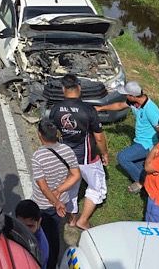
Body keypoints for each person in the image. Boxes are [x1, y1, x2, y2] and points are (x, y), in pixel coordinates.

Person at [49, 74, 109, 231]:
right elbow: (99, 138)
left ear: (63, 89)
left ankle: (71, 220)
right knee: (97, 187)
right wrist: (104, 153)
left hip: (66, 157)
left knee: (71, 188)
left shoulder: (55, 109)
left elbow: (51, 133)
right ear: (79, 88)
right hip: (87, 157)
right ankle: (82, 221)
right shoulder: (88, 110)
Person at [32, 119, 81, 267]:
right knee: (54, 235)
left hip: (43, 203)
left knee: (40, 237)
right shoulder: (67, 150)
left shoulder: (38, 157)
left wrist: (55, 201)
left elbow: (43, 187)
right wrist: (60, 192)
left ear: (40, 135)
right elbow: (76, 175)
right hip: (62, 200)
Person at [96, 81, 159, 193]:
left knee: (122, 157)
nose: (125, 96)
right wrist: (100, 108)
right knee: (137, 164)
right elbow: (119, 105)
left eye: (126, 94)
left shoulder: (151, 109)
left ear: (133, 96)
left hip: (148, 144)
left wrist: (158, 148)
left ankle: (143, 183)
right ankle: (147, 177)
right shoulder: (134, 102)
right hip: (139, 141)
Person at [15, 200, 50, 269]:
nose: (25, 230)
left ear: (39, 222)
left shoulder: (40, 250)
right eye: (21, 225)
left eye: (30, 226)